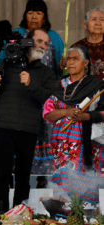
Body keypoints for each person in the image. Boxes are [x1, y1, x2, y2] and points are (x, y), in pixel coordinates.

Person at [0, 28, 56, 212]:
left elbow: (46, 97)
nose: (42, 46)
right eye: (39, 41)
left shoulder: (46, 72)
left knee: (24, 177)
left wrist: (31, 83)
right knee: (2, 174)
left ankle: (19, 214)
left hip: (28, 129)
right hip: (4, 125)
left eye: (46, 44)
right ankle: (0, 216)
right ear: (28, 42)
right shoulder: (7, 63)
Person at [0, 0, 64, 188]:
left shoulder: (54, 37)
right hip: (17, 96)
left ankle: (43, 181)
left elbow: (59, 70)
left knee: (44, 138)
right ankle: (11, 182)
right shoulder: (15, 34)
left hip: (43, 98)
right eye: (31, 12)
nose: (34, 16)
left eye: (39, 13)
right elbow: (1, 61)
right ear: (25, 15)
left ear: (45, 17)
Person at [44, 46, 104, 204]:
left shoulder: (95, 85)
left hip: (87, 138)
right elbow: (47, 113)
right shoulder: (59, 85)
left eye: (75, 59)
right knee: (63, 178)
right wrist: (66, 112)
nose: (70, 62)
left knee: (85, 179)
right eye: (68, 59)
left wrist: (87, 116)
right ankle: (62, 213)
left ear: (85, 63)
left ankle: (84, 214)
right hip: (61, 141)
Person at [61, 8, 104, 80]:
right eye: (94, 19)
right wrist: (64, 64)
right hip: (83, 89)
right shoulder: (76, 47)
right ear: (85, 24)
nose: (98, 23)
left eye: (102, 19)